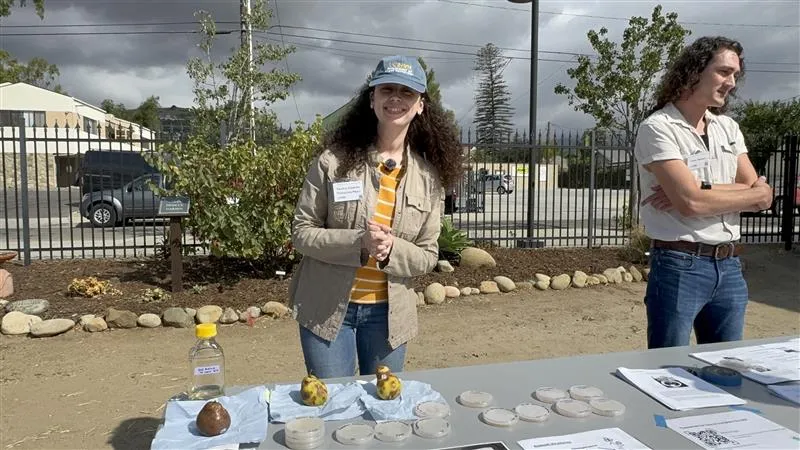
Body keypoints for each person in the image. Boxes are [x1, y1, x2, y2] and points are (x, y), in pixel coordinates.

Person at [289, 55, 464, 378]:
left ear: (421, 105)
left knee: (382, 410)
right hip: (326, 311)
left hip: (388, 318)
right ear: (372, 99)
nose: (395, 98)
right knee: (333, 407)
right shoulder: (333, 162)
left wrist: (391, 249)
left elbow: (428, 255)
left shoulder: (429, 179)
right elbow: (301, 232)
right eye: (387, 90)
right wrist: (360, 242)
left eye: (406, 92)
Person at [634, 36, 773, 349]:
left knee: (726, 367)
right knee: (668, 371)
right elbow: (691, 203)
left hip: (730, 266)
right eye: (724, 72)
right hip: (679, 265)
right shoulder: (658, 128)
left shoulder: (728, 128)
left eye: (735, 75)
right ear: (694, 71)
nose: (731, 82)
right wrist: (697, 195)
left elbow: (763, 197)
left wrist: (701, 188)